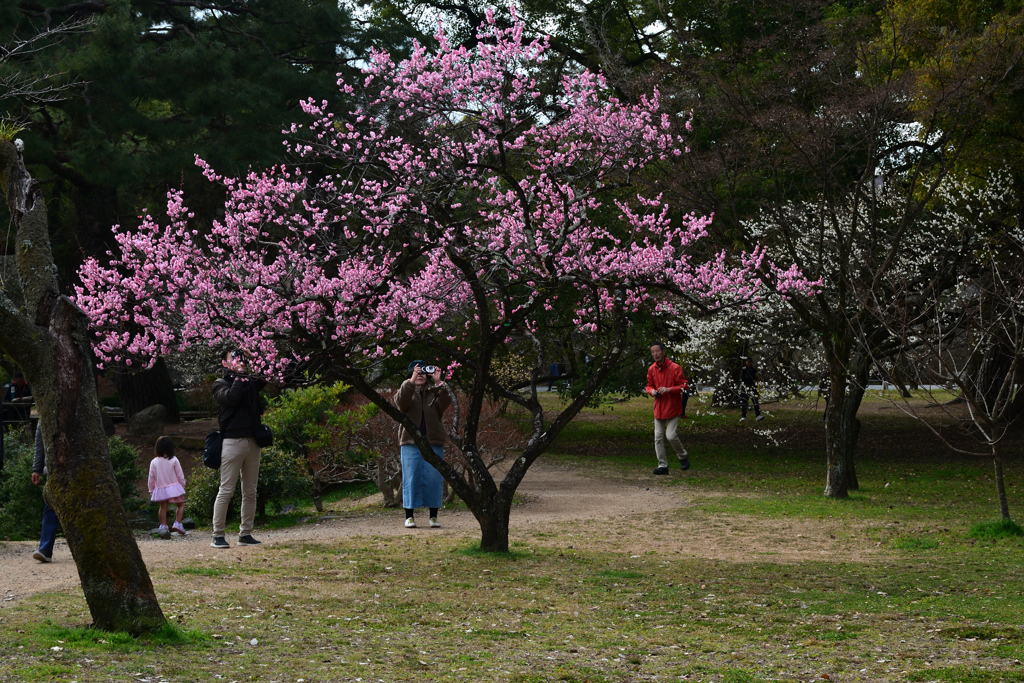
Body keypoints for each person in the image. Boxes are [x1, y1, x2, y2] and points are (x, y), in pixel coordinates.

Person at [210, 349, 267, 549]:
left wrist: (256, 356)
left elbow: (267, 374)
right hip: (232, 443)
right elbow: (232, 397)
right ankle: (217, 535)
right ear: (224, 363)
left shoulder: (249, 382)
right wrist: (240, 375)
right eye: (232, 358)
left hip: (253, 442)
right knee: (226, 490)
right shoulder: (220, 384)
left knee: (250, 491)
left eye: (239, 358)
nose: (238, 361)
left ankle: (246, 534)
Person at [395, 360, 451, 528]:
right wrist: (410, 381)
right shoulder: (407, 389)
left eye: (422, 374)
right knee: (410, 477)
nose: (420, 376)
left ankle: (433, 516)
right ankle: (409, 516)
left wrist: (438, 383)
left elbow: (445, 402)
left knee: (434, 478)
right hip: (410, 441)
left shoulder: (434, 392)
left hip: (433, 440)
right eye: (416, 373)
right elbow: (400, 403)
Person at [646, 343, 690, 475]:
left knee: (670, 436)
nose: (655, 354)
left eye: (657, 351)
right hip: (658, 408)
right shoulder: (652, 369)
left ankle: (683, 456)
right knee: (658, 437)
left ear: (663, 351)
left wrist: (669, 390)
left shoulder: (675, 368)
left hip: (673, 407)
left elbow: (684, 386)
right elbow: (649, 385)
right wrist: (651, 391)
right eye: (653, 352)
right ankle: (662, 466)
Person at [149, 435, 187, 537]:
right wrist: (182, 485)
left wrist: (151, 489)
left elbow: (151, 477)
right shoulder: (174, 459)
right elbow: (180, 474)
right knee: (180, 504)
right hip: (174, 487)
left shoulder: (154, 462)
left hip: (161, 488)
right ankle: (178, 523)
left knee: (163, 507)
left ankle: (163, 525)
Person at [31, 423, 58, 563]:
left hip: (77, 469)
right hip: (53, 471)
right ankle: (45, 549)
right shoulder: (44, 413)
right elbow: (39, 444)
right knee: (50, 509)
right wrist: (36, 469)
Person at [740, 357, 764, 422]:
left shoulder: (754, 370)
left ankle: (758, 415)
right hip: (745, 387)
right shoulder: (743, 370)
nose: (748, 363)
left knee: (755, 401)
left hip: (753, 388)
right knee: (744, 402)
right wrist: (751, 380)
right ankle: (743, 416)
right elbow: (742, 379)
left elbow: (757, 377)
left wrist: (756, 380)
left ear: (752, 362)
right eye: (747, 361)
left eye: (749, 361)